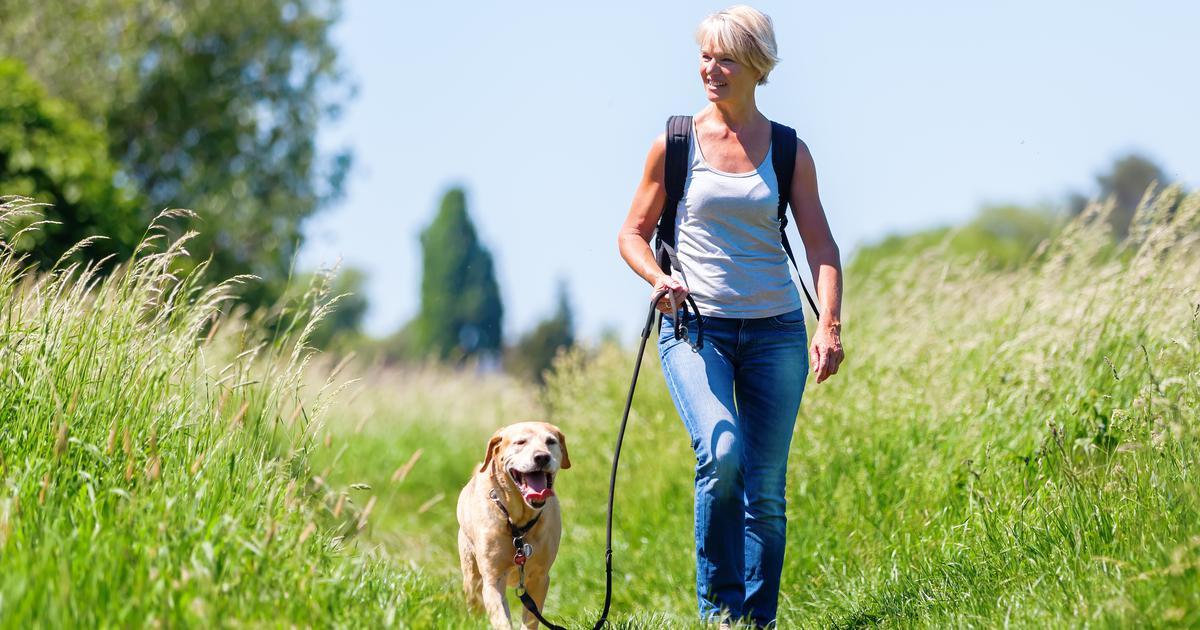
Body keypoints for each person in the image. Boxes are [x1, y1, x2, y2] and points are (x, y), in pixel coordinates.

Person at [617, 5, 845, 627]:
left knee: (765, 493)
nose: (710, 69)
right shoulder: (676, 141)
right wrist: (659, 277)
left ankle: (756, 621)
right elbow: (632, 234)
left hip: (775, 333)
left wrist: (828, 324)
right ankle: (720, 615)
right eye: (705, 57)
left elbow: (821, 246)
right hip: (697, 330)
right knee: (721, 453)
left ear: (756, 66)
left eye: (725, 58)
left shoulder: (790, 150)